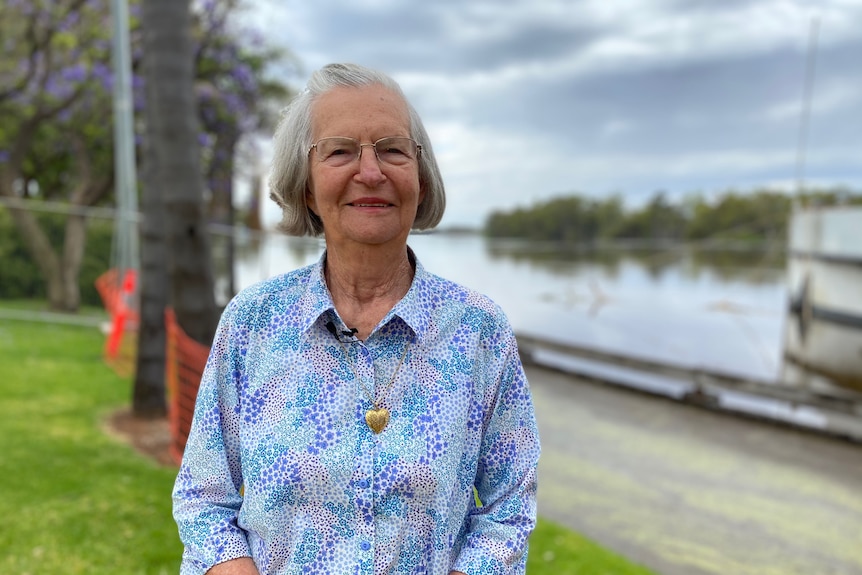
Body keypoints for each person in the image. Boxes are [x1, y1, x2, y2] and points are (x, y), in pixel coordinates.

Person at [172, 62, 541, 575]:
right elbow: (203, 497)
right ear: (305, 186)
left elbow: (509, 508)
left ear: (421, 178)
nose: (371, 173)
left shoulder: (479, 331)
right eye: (341, 151)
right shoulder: (252, 323)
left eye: (392, 149)